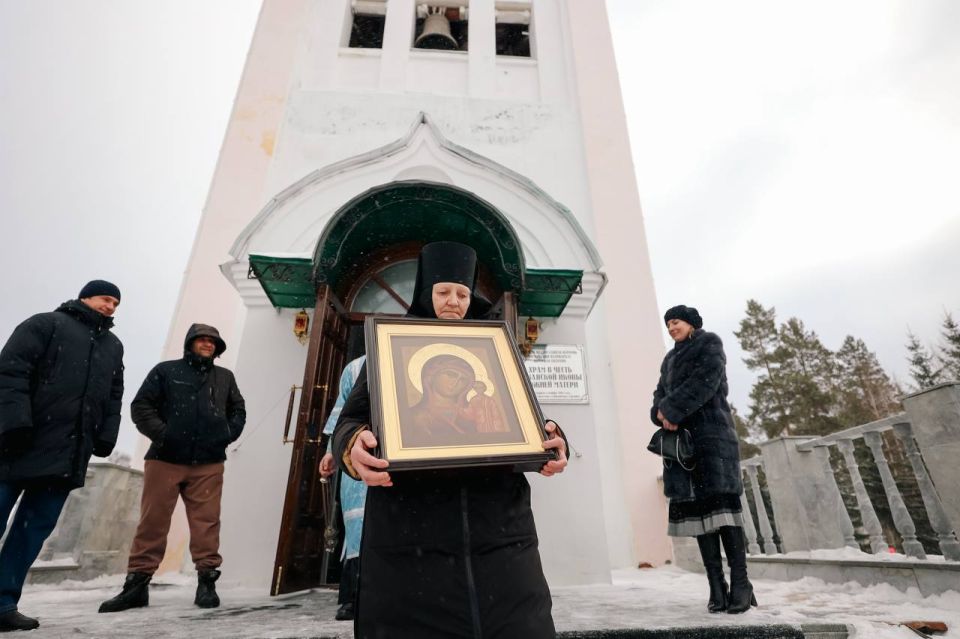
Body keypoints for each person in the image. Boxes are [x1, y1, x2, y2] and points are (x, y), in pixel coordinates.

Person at [332, 241, 568, 639]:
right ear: (425, 294)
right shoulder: (391, 350)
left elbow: (527, 419)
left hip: (499, 533)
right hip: (412, 532)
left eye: (462, 293)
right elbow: (350, 420)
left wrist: (553, 438)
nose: (454, 302)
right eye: (443, 292)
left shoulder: (496, 350)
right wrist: (352, 444)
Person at [0, 280, 124, 632]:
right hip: (19, 446)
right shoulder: (45, 324)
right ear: (85, 297)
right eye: (105, 299)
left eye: (116, 303)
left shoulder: (113, 346)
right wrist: (15, 424)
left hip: (67, 455)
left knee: (30, 533)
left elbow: (114, 397)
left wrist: (105, 437)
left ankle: (3, 602)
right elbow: (10, 373)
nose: (110, 307)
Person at [99, 324, 245, 613]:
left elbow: (238, 410)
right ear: (190, 343)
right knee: (152, 522)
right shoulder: (165, 371)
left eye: (212, 341)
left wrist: (225, 435)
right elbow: (141, 406)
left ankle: (207, 582)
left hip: (208, 462)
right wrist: (165, 435)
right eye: (202, 340)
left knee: (207, 524)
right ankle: (137, 585)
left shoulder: (224, 377)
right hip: (164, 459)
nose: (207, 345)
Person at [650, 305, 755, 614]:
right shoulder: (669, 359)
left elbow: (705, 382)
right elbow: (659, 394)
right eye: (668, 324)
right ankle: (716, 586)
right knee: (698, 515)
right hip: (683, 448)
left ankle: (741, 584)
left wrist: (672, 409)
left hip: (713, 439)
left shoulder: (709, 343)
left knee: (722, 511)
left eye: (676, 322)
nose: (671, 327)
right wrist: (660, 412)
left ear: (691, 323)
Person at [318, 355, 367, 621]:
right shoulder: (356, 367)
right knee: (357, 525)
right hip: (355, 453)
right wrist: (332, 451)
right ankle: (351, 596)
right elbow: (344, 414)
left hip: (396, 454)